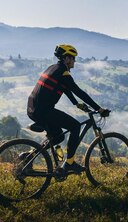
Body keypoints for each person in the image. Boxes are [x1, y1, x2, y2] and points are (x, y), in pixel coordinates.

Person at [26, 44, 109, 173]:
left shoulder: (53, 68)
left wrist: (76, 104)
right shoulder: (63, 73)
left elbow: (65, 88)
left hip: (33, 108)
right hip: (43, 110)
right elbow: (78, 91)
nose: (74, 61)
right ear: (66, 58)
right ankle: (69, 163)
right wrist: (99, 109)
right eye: (73, 58)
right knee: (75, 126)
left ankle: (29, 155)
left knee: (58, 137)